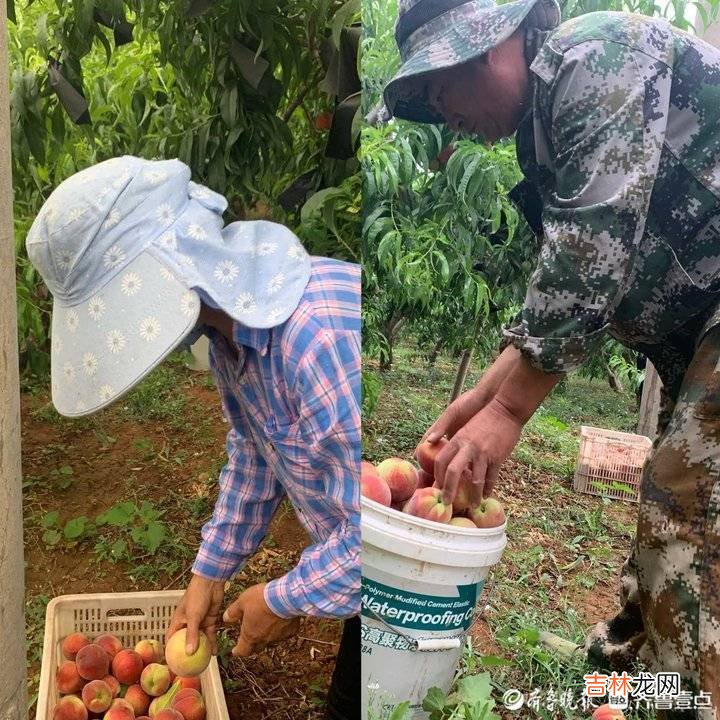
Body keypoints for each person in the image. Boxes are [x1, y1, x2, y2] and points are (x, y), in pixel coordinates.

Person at [382, 0, 720, 716]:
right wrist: (480, 398)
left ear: (492, 44)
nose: (441, 113)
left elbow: (589, 260)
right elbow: (557, 299)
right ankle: (622, 671)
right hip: (698, 334)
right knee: (676, 499)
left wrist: (507, 410)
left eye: (440, 87)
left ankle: (682, 701)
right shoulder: (541, 134)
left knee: (684, 499)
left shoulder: (593, 58)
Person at [26, 155, 361, 719]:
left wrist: (284, 599)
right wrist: (209, 573)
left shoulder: (318, 342)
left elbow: (372, 535)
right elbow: (256, 455)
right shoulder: (231, 336)